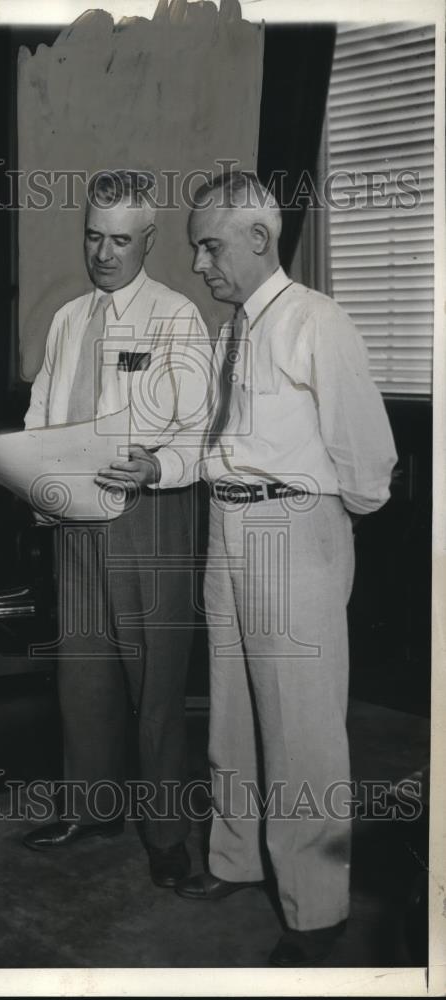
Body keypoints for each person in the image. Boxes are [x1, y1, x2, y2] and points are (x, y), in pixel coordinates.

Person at [177, 171, 397, 965]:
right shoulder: (228, 330)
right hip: (225, 522)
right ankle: (235, 860)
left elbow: (368, 460)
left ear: (258, 238)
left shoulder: (317, 323)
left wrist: (320, 526)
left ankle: (315, 908)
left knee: (300, 726)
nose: (200, 262)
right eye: (196, 247)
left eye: (209, 245)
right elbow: (213, 443)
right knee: (231, 708)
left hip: (290, 527)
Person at [22, 170, 211, 888]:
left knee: (155, 686)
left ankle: (167, 834)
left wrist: (156, 469)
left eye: (121, 241)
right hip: (73, 517)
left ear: (150, 242)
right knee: (83, 672)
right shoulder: (70, 318)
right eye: (93, 238)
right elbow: (43, 415)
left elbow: (199, 434)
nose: (104, 254)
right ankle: (92, 806)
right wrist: (33, 481)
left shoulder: (175, 318)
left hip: (149, 517)